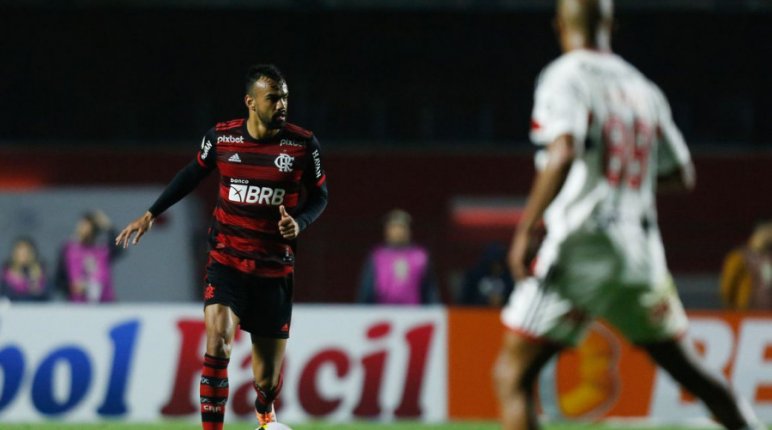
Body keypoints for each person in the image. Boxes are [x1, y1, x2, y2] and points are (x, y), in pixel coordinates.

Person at [493, 1, 765, 429]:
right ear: (610, 24)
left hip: (583, 246)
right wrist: (624, 180)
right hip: (640, 254)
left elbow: (563, 151)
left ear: (559, 24)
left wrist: (527, 227)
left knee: (513, 375)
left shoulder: (564, 76)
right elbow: (681, 173)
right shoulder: (643, 88)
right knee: (690, 371)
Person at [115, 64, 328, 430]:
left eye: (285, 98)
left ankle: (265, 412)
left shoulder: (302, 144)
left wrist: (300, 222)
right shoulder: (222, 139)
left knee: (265, 381)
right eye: (273, 98)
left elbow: (320, 196)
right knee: (218, 343)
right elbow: (190, 174)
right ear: (251, 102)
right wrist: (151, 213)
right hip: (226, 262)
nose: (282, 105)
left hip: (274, 268)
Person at [358, 209, 439, 305]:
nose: (398, 232)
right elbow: (366, 290)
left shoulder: (420, 256)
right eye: (394, 227)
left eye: (402, 227)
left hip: (414, 313)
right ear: (387, 231)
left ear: (409, 231)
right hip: (382, 312)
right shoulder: (377, 256)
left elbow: (430, 291)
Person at [56, 210, 123, 302]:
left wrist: (109, 227)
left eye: (87, 226)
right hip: (77, 306)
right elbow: (59, 279)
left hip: (105, 303)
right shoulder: (69, 249)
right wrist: (71, 287)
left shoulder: (103, 249)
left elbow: (120, 249)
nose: (82, 229)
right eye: (81, 225)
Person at [720, 220, 772, 310]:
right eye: (768, 232)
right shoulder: (739, 258)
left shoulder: (768, 258)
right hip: (745, 311)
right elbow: (727, 288)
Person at [458, 242, 514, 307]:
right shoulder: (475, 276)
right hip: (477, 314)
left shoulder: (508, 278)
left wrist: (503, 300)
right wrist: (485, 301)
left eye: (500, 264)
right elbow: (464, 301)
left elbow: (514, 299)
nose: (497, 267)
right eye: (494, 264)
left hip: (503, 313)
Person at [1, 236, 49, 301]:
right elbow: (5, 297)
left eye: (27, 252)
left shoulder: (40, 273)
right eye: (20, 251)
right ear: (14, 254)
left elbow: (46, 298)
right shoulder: (5, 275)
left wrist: (36, 285)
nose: (24, 255)